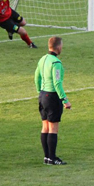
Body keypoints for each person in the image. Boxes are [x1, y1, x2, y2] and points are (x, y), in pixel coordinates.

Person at [35, 36, 71, 165]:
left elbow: (36, 77)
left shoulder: (42, 59)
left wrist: (40, 91)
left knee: (45, 127)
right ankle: (52, 158)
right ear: (59, 47)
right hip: (52, 97)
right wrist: (64, 100)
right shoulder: (56, 63)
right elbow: (57, 83)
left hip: (43, 96)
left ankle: (47, 157)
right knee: (53, 129)